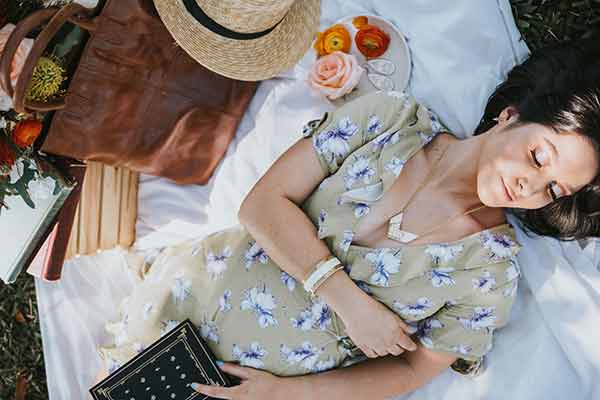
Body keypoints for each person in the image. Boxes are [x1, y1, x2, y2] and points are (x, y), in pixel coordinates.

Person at [94, 37, 600, 399]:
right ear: (511, 114)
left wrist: (283, 395)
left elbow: (410, 373)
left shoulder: (489, 276)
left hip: (261, 384)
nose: (531, 187)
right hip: (186, 299)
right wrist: (350, 302)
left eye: (554, 190)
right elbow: (262, 204)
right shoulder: (390, 119)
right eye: (539, 157)